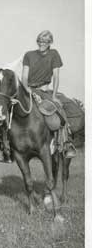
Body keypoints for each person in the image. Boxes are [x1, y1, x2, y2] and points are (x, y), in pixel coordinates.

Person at [21, 30, 76, 158]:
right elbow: (24, 76)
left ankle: (66, 143)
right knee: (10, 108)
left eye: (45, 41)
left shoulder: (54, 54)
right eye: (39, 41)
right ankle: (4, 146)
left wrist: (54, 95)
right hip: (28, 89)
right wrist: (27, 88)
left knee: (59, 111)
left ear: (50, 42)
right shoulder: (28, 55)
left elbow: (56, 76)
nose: (42, 43)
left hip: (45, 90)